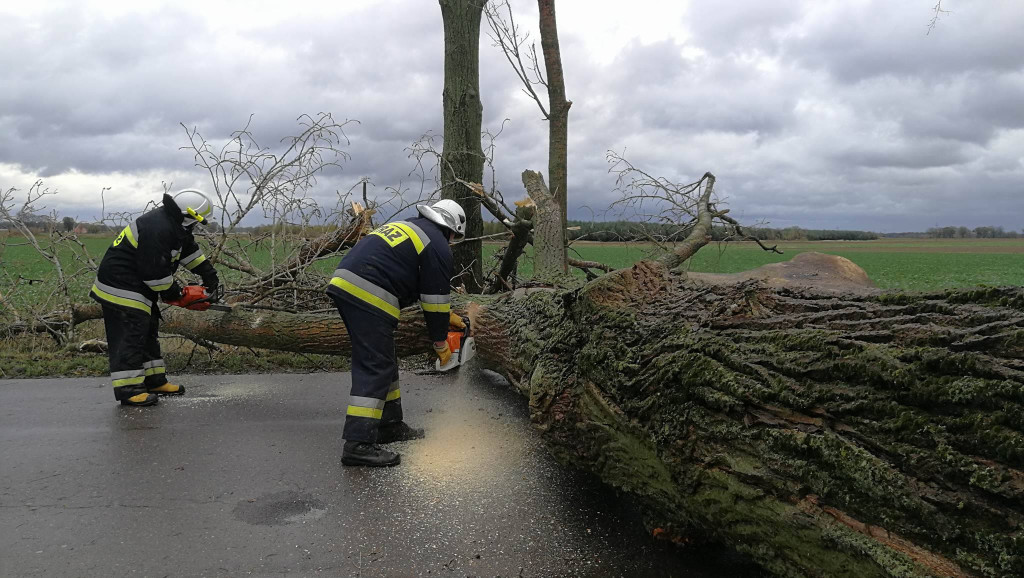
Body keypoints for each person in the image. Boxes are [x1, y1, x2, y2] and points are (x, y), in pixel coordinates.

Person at [326, 199, 468, 467]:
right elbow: (434, 299)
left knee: (384, 359)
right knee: (375, 364)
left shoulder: (411, 226)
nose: (451, 242)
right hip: (367, 291)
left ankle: (389, 425)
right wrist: (440, 343)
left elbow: (413, 280)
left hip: (348, 282)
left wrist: (445, 315)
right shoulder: (437, 244)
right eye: (454, 237)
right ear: (451, 228)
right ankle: (357, 444)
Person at [89, 190, 220, 407]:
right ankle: (129, 390)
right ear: (191, 215)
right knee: (130, 335)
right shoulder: (157, 228)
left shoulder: (177, 225)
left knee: (147, 331)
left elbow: (188, 251)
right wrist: (176, 295)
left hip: (137, 284)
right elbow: (154, 273)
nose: (196, 227)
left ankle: (155, 381)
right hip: (120, 285)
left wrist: (208, 273)